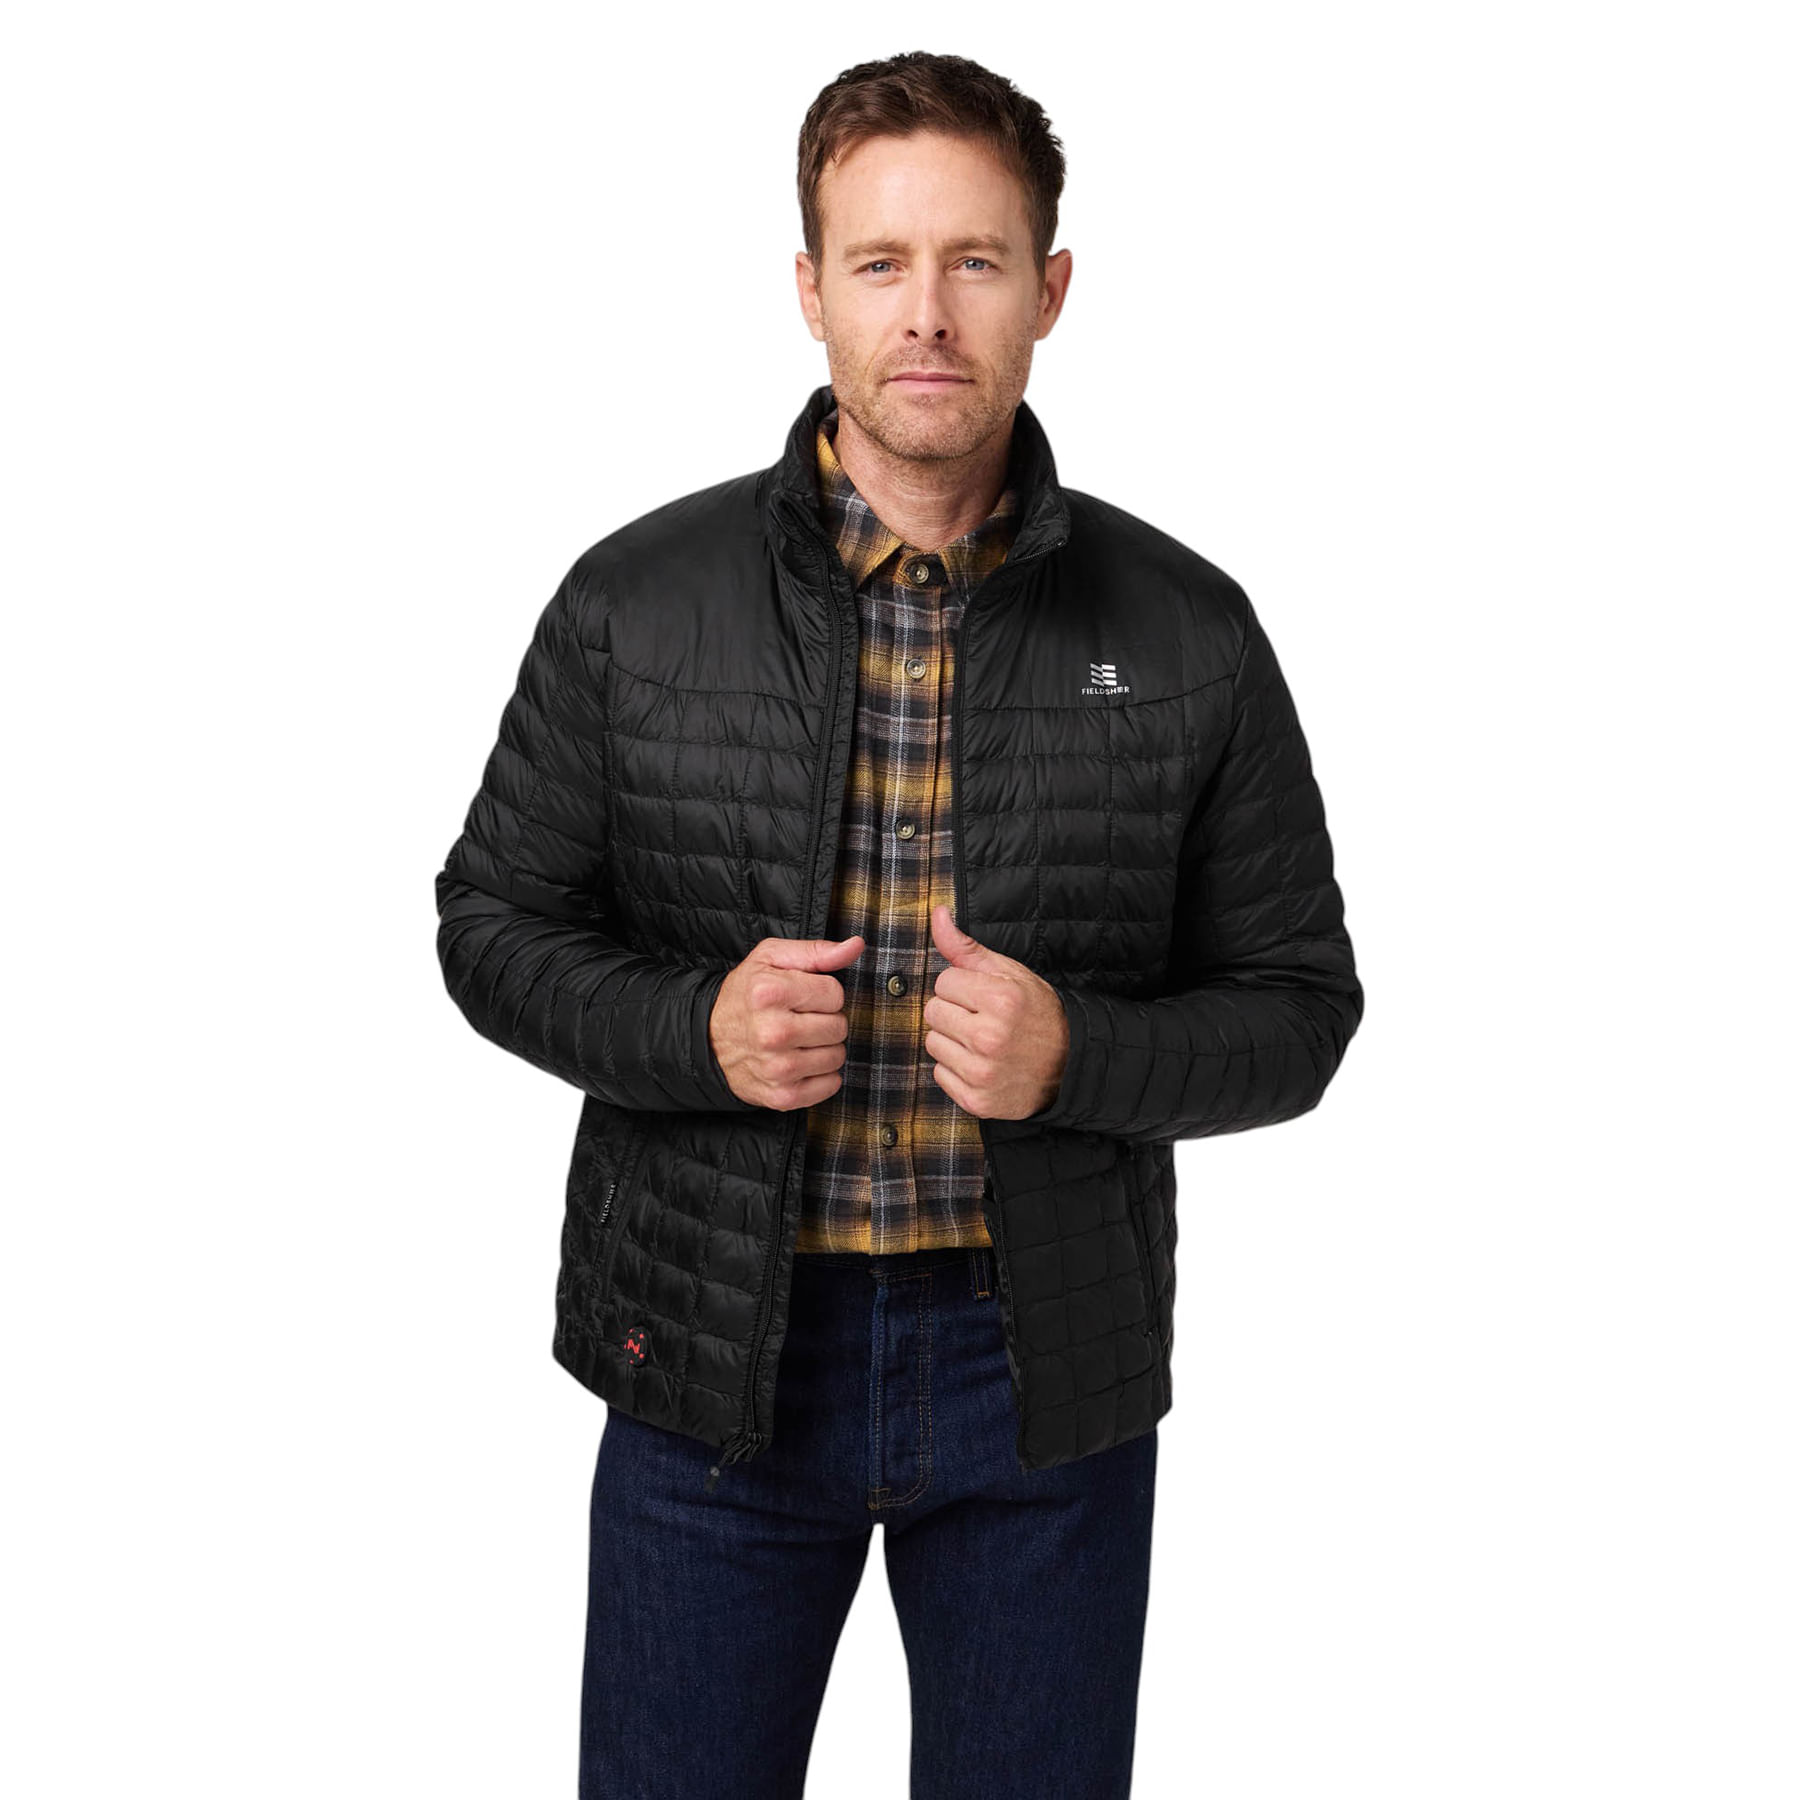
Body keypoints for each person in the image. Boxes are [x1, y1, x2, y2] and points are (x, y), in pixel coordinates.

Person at [434, 48, 1362, 1800]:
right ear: (811, 290)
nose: (926, 313)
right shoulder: (635, 603)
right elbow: (490, 924)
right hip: (713, 1353)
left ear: (1050, 290)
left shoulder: (1188, 629)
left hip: (1042, 1372)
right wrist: (693, 1030)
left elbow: (1300, 1007)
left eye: (975, 261)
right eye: (880, 262)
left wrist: (1079, 1055)